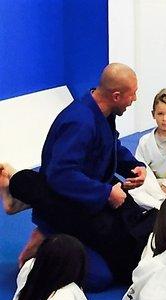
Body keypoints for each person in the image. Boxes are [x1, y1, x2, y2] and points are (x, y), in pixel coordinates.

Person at [3, 63, 156, 286]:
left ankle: (46, 230)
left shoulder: (102, 113)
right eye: (132, 94)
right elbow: (61, 175)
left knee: (126, 240)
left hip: (89, 200)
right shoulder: (80, 121)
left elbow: (110, 147)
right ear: (116, 95)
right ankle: (47, 240)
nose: (134, 99)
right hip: (68, 206)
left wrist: (134, 167)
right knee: (99, 278)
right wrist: (106, 193)